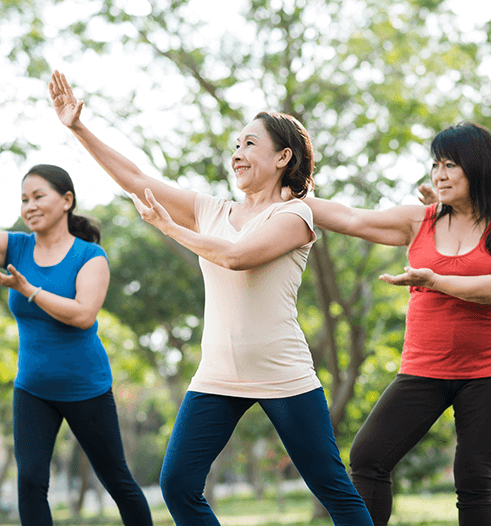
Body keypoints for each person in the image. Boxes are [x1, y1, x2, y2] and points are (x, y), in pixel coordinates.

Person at [48, 70, 373, 526]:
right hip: (218, 374)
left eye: (250, 145)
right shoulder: (212, 211)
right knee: (177, 485)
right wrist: (78, 128)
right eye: (236, 145)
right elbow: (135, 177)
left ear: (283, 157)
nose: (238, 154)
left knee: (333, 489)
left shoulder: (295, 214)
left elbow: (238, 257)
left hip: (283, 374)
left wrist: (169, 227)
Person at [300, 121, 491, 526]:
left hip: (488, 369)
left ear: (476, 167)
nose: (438, 175)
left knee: (474, 477)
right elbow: (352, 218)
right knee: (368, 457)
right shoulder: (418, 220)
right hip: (424, 368)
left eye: (449, 165)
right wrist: (290, 195)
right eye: (435, 165)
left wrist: (435, 280)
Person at [0, 164, 153, 526]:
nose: (29, 206)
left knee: (117, 481)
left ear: (67, 200)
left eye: (39, 196)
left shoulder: (90, 257)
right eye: (24, 199)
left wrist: (30, 291)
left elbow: (83, 314)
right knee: (32, 482)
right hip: (32, 389)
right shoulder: (15, 246)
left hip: (86, 389)